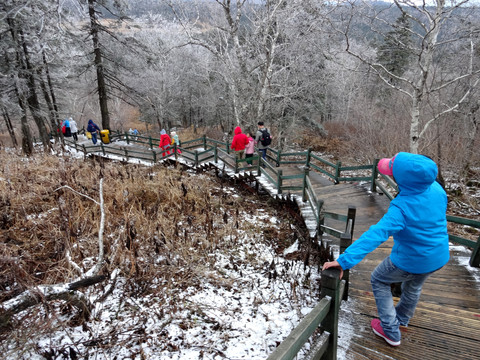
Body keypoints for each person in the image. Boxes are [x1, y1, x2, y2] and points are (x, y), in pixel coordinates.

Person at [322, 152, 450, 347]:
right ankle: (402, 319)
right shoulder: (437, 190)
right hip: (437, 256)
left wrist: (343, 261)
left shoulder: (401, 208)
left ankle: (390, 330)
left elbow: (374, 236)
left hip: (410, 259)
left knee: (379, 279)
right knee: (413, 286)